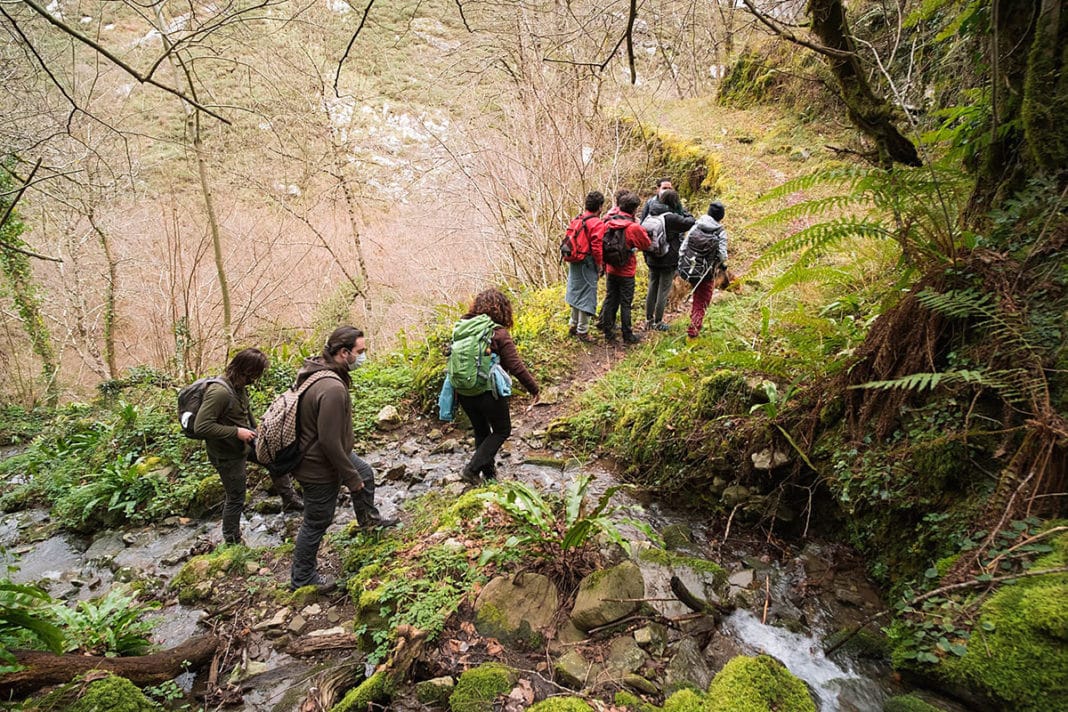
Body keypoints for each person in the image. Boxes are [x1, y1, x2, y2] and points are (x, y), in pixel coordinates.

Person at [289, 326, 397, 592]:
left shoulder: (317, 370)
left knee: (366, 474)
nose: (363, 357)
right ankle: (302, 578)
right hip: (317, 464)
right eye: (360, 352)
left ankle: (368, 522)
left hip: (323, 454)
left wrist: (355, 474)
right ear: (343, 353)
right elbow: (328, 441)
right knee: (317, 520)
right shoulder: (332, 388)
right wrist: (350, 478)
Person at [194, 348, 304, 546]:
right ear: (245, 370)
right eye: (255, 374)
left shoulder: (238, 386)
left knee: (274, 460)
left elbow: (245, 412)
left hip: (245, 442)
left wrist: (259, 431)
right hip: (227, 453)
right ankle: (232, 541)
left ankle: (290, 500)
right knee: (236, 497)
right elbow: (201, 426)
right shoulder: (219, 392)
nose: (256, 379)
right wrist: (236, 432)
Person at [457, 288, 540, 484]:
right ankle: (471, 470)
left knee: (481, 431)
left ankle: (489, 475)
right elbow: (516, 366)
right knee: (502, 430)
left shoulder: (463, 326)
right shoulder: (498, 333)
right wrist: (534, 390)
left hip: (463, 389)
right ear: (503, 310)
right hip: (488, 390)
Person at [597, 191, 652, 344]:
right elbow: (646, 244)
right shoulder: (634, 227)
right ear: (634, 209)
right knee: (626, 303)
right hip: (627, 270)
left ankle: (608, 332)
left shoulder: (608, 222)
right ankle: (627, 335)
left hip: (611, 268)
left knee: (610, 299)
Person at [643, 189, 695, 331]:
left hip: (652, 257)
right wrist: (683, 211)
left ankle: (648, 320)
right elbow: (691, 222)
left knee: (652, 287)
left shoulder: (652, 212)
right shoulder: (671, 217)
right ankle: (658, 322)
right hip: (668, 259)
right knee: (663, 290)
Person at [684, 201, 730, 339]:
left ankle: (694, 319)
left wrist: (683, 263)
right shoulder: (720, 231)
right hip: (706, 271)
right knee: (702, 300)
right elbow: (722, 255)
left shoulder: (696, 225)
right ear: (721, 216)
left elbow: (684, 245)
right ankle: (693, 331)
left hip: (689, 267)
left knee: (697, 296)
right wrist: (721, 263)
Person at [565, 191, 605, 343]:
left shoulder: (578, 219)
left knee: (575, 293)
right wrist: (599, 264)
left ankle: (573, 324)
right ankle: (583, 331)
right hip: (587, 262)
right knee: (586, 296)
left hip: (574, 260)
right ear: (600, 207)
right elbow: (596, 247)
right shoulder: (596, 223)